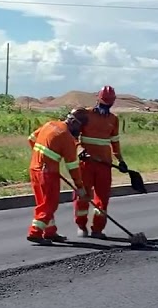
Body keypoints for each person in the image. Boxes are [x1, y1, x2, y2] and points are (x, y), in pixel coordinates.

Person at [28, 108, 90, 245]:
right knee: (50, 204)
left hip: (34, 168)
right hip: (47, 173)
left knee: (43, 202)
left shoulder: (49, 124)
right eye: (80, 127)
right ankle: (35, 232)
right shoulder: (66, 138)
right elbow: (73, 167)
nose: (80, 132)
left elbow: (31, 138)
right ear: (73, 122)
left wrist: (43, 157)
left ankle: (49, 232)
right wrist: (80, 187)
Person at [75, 86, 128, 238]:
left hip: (104, 165)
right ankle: (81, 225)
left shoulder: (113, 119)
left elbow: (115, 143)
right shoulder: (86, 114)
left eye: (109, 104)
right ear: (98, 99)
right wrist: (79, 150)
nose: (106, 106)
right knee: (83, 196)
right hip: (86, 164)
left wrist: (121, 161)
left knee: (103, 199)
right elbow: (72, 136)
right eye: (104, 103)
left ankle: (97, 229)